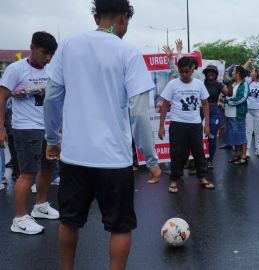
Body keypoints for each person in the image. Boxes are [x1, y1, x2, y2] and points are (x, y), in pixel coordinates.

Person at [43, 1, 162, 268]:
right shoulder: (128, 52)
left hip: (74, 156)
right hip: (114, 160)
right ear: (123, 17)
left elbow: (52, 98)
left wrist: (52, 140)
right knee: (119, 227)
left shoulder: (69, 45)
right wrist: (151, 162)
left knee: (69, 220)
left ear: (97, 17)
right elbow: (140, 114)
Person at [0, 31, 59, 235]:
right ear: (32, 48)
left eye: (52, 53)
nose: (48, 57)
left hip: (48, 127)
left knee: (48, 168)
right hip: (26, 127)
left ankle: (40, 206)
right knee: (28, 173)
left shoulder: (51, 68)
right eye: (45, 53)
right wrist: (0, 128)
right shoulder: (15, 69)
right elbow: (2, 97)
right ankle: (19, 218)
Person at [159, 57, 214, 192]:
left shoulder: (199, 84)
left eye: (187, 72)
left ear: (192, 69)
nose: (184, 75)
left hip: (195, 124)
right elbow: (165, 105)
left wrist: (207, 124)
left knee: (198, 153)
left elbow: (205, 104)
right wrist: (161, 126)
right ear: (178, 70)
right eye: (182, 72)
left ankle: (202, 178)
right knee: (176, 153)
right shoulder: (172, 84)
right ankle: (173, 180)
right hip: (177, 124)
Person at [202, 65, 233, 169]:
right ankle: (198, 160)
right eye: (209, 71)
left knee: (212, 138)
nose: (211, 73)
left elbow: (229, 93)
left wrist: (229, 83)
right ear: (205, 74)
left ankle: (210, 160)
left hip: (214, 113)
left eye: (213, 72)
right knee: (199, 138)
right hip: (200, 112)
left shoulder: (219, 85)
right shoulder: (201, 83)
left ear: (216, 74)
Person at [222, 65, 250, 165]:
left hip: (238, 114)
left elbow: (242, 98)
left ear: (238, 73)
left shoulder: (244, 84)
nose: (231, 73)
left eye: (233, 71)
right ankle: (237, 154)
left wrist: (226, 101)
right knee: (234, 134)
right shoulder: (233, 83)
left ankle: (244, 156)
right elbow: (222, 82)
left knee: (240, 134)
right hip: (229, 113)